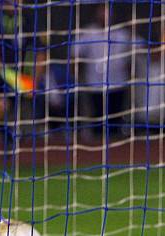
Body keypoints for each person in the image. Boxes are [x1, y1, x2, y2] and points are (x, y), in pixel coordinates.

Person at [71, 3, 131, 138]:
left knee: (116, 121)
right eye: (101, 12)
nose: (104, 15)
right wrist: (76, 74)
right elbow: (74, 53)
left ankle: (117, 152)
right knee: (97, 121)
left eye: (107, 11)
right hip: (94, 85)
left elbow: (133, 56)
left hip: (118, 83)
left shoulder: (122, 33)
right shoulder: (88, 33)